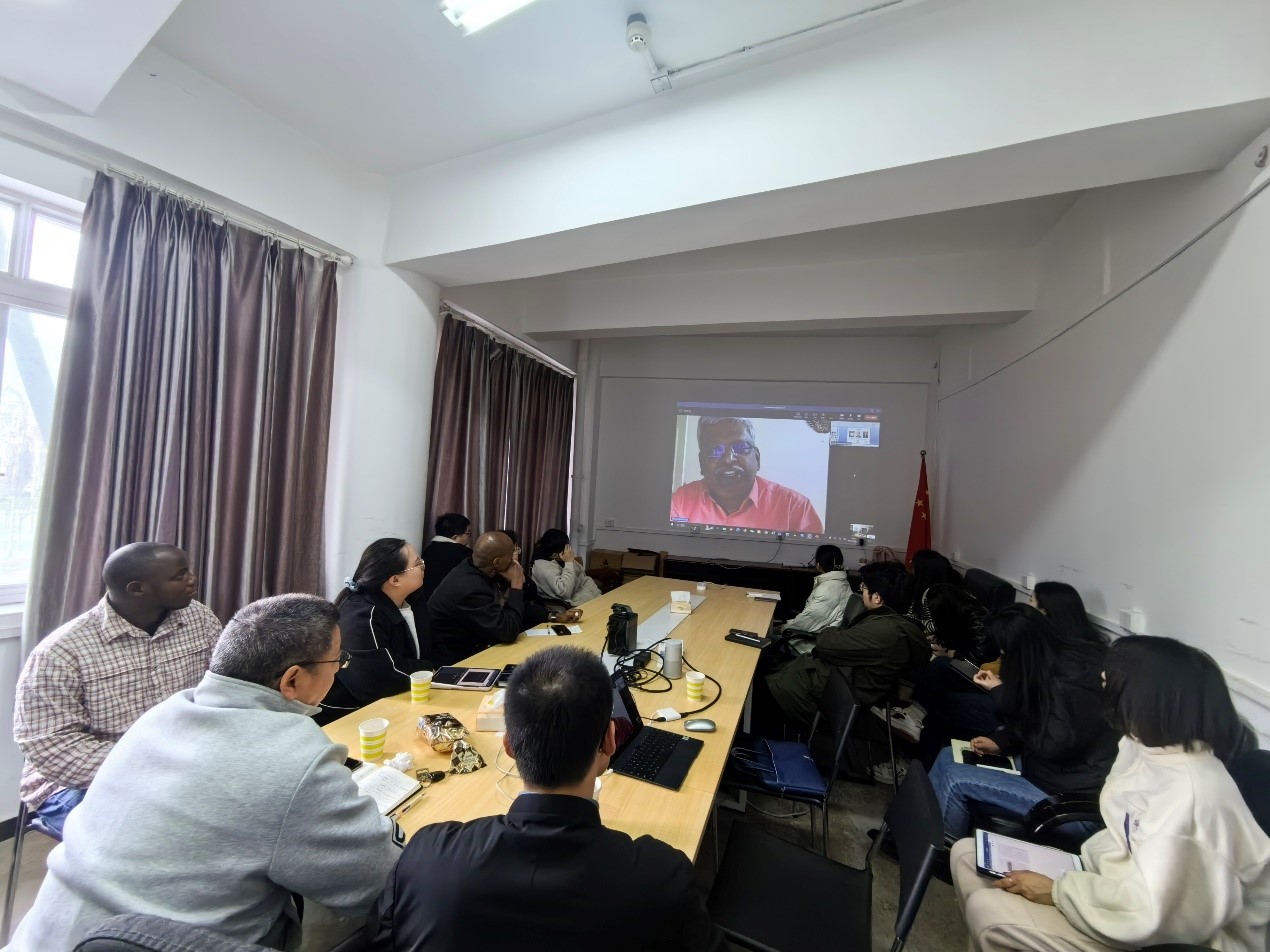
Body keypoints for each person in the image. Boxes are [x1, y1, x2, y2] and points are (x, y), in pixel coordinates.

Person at [6, 594, 403, 952]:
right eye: (338, 661)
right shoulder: (293, 757)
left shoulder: (159, 717)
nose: (339, 669)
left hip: (49, 934)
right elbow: (378, 881)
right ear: (292, 680)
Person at [363, 645, 725, 952]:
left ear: (509, 745)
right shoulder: (662, 877)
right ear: (610, 741)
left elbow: (381, 940)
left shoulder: (426, 854)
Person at [953, 635, 1270, 952]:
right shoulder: (1144, 747)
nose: (1101, 685)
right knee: (967, 855)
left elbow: (1157, 919)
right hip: (1117, 886)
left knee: (987, 910)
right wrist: (1071, 872)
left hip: (1163, 934)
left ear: (1142, 698)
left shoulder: (1191, 795)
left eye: (1109, 683)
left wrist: (1058, 891)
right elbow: (1125, 839)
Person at [12, 542, 221, 838]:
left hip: (180, 761)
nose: (192, 579)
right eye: (179, 575)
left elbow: (219, 686)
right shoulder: (60, 654)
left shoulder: (199, 619)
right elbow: (53, 747)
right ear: (137, 589)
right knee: (162, 835)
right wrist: (154, 767)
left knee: (246, 808)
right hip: (79, 782)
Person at [929, 604, 1120, 841]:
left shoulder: (1070, 682)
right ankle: (921, 837)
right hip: (1044, 770)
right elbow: (1035, 722)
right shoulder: (1046, 666)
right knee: (948, 756)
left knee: (954, 779)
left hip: (1065, 794)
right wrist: (1001, 742)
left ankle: (940, 851)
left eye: (1005, 650)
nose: (1003, 655)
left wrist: (1001, 693)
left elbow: (1050, 743)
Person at [762, 560, 923, 729]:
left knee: (750, 690)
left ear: (877, 598)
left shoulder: (884, 632)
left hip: (809, 698)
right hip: (815, 686)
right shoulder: (888, 624)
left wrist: (831, 630)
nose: (861, 590)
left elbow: (824, 645)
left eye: (864, 587)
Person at [319, 537, 433, 722]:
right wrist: (430, 668)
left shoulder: (412, 599)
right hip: (351, 714)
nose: (423, 566)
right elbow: (380, 678)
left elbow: (432, 645)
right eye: (417, 563)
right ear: (395, 579)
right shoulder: (361, 616)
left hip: (400, 696)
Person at [429, 531, 580, 665]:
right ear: (497, 561)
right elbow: (508, 632)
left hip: (484, 642)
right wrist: (516, 586)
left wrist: (553, 616)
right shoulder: (470, 588)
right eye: (512, 555)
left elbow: (516, 606)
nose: (515, 561)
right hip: (460, 660)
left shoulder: (485, 568)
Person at [670, 416, 823, 534]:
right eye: (715, 450)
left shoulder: (796, 508)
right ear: (702, 463)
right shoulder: (680, 501)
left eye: (740, 447)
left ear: (757, 458)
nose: (728, 459)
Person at [777, 545, 853, 646]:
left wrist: (784, 627)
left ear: (818, 565)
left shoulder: (827, 589)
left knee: (767, 639)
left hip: (813, 643)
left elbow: (808, 621)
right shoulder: (842, 583)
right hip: (824, 637)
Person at [530, 528, 602, 610]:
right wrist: (569, 562)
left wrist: (599, 596)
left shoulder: (561, 558)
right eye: (566, 548)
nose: (569, 551)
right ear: (555, 555)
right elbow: (565, 592)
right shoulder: (542, 567)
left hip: (586, 598)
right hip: (566, 604)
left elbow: (583, 578)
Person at [415, 513, 473, 604]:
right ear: (455, 537)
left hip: (426, 604)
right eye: (468, 533)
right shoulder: (464, 553)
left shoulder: (427, 550)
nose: (469, 538)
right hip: (452, 606)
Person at [1031, 581, 1108, 646]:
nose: (1027, 604)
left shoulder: (1047, 648)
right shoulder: (1085, 642)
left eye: (1031, 600)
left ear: (1043, 611)